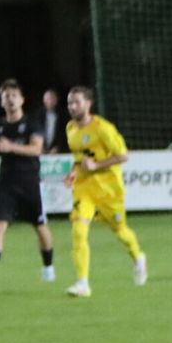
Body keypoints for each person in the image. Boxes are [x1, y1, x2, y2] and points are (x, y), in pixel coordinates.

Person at [0, 79, 56, 286]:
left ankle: (48, 267)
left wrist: (11, 147)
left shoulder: (32, 123)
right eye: (6, 97)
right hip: (6, 182)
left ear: (22, 100)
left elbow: (36, 149)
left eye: (14, 95)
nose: (10, 100)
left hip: (29, 182)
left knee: (39, 225)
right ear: (2, 101)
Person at [63, 85, 147, 298]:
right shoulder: (70, 129)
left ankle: (138, 259)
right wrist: (74, 171)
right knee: (78, 231)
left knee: (120, 230)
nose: (72, 107)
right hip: (84, 189)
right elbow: (80, 158)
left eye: (76, 102)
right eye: (70, 103)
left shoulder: (103, 128)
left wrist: (97, 166)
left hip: (109, 190)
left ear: (88, 104)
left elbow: (122, 156)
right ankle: (82, 283)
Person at [37, 88, 69, 154]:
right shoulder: (37, 115)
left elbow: (65, 134)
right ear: (44, 100)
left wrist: (58, 147)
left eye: (52, 98)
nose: (50, 101)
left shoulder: (64, 116)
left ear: (57, 100)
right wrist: (39, 146)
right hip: (40, 151)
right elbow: (34, 132)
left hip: (57, 153)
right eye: (48, 99)